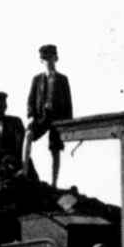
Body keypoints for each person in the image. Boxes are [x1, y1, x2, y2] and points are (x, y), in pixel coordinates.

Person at [23, 44, 73, 186]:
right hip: (41, 117)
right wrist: (31, 116)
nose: (48, 61)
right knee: (27, 135)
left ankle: (54, 183)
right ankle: (24, 172)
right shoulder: (37, 79)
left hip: (58, 119)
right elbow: (30, 99)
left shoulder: (63, 79)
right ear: (41, 61)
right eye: (45, 59)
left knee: (55, 150)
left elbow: (68, 102)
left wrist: (69, 123)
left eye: (51, 58)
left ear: (56, 59)